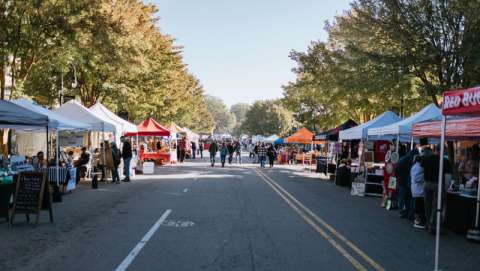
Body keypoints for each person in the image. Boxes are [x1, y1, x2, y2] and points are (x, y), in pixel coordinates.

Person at [421, 143, 452, 234]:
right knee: (436, 206)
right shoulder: (445, 161)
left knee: (427, 204)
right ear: (443, 150)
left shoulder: (427, 158)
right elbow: (448, 177)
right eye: (445, 149)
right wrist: (446, 188)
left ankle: (428, 223)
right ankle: (432, 225)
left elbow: (421, 170)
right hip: (437, 184)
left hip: (426, 183)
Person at [395, 147, 418, 219]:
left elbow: (397, 170)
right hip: (404, 181)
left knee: (404, 197)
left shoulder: (404, 159)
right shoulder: (407, 160)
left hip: (403, 181)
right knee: (405, 197)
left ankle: (404, 211)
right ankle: (403, 211)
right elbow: (398, 170)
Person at [411, 155, 426, 228]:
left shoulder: (414, 167)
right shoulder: (419, 167)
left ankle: (417, 220)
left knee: (417, 206)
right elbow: (417, 178)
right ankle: (418, 221)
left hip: (416, 190)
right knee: (419, 206)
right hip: (419, 190)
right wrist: (425, 176)